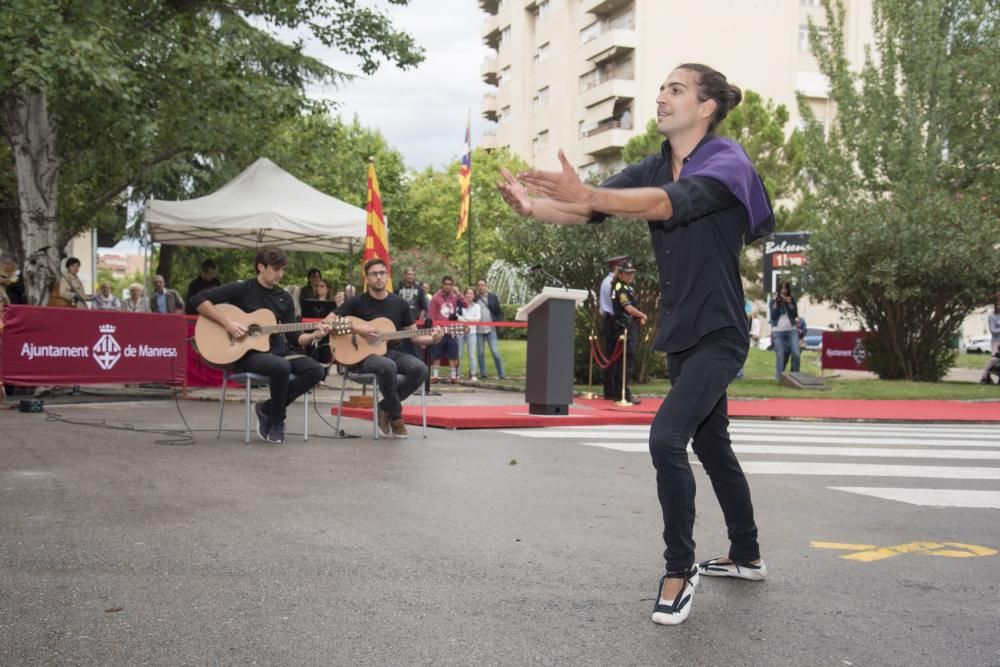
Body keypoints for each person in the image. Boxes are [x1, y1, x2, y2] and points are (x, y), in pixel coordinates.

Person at [499, 63, 773, 626]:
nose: (661, 97)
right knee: (713, 443)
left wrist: (588, 191)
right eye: (662, 88)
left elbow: (663, 205)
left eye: (676, 89)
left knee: (667, 438)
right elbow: (588, 207)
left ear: (706, 107)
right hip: (681, 333)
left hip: (720, 329)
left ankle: (680, 568)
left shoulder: (727, 160)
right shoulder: (655, 163)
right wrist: (536, 208)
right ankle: (746, 554)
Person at [192, 246, 332, 444]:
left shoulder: (284, 298)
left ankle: (267, 408)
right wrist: (228, 324)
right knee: (281, 366)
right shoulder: (242, 288)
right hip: (244, 354)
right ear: (261, 266)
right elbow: (198, 300)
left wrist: (314, 335)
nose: (280, 274)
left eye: (282, 269)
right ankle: (277, 420)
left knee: (316, 371)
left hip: (277, 353)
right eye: (276, 269)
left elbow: (294, 337)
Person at [335, 258, 443, 437]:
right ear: (367, 279)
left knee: (420, 369)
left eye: (382, 273)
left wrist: (434, 339)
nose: (378, 277)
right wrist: (358, 329)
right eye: (374, 274)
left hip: (391, 352)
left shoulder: (399, 303)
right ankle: (397, 416)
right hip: (361, 357)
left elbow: (415, 336)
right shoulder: (356, 302)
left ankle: (385, 407)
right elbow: (329, 322)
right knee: (387, 366)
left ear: (387, 276)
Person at [610, 260, 647, 404]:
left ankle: (620, 391)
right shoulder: (621, 288)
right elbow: (628, 308)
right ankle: (623, 393)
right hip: (624, 327)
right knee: (626, 362)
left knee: (624, 362)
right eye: (627, 273)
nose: (631, 276)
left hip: (627, 325)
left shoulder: (626, 287)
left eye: (632, 273)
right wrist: (642, 315)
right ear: (620, 274)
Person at [598, 256, 628, 399]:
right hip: (614, 321)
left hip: (609, 320)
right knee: (616, 357)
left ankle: (610, 391)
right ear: (617, 268)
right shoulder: (612, 283)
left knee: (612, 356)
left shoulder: (606, 281)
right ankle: (615, 391)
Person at [427, 275, 464, 384]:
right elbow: (431, 314)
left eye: (450, 285)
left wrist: (458, 294)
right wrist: (434, 329)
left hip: (451, 330)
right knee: (436, 354)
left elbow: (465, 304)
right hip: (439, 330)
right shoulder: (435, 297)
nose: (448, 286)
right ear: (442, 285)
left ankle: (453, 376)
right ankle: (435, 376)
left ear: (452, 286)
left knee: (453, 354)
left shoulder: (454, 297)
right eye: (446, 284)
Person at [474, 278, 507, 380]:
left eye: (483, 285)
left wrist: (497, 322)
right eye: (479, 285)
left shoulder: (493, 297)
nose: (481, 287)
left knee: (495, 352)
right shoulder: (475, 299)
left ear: (486, 286)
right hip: (479, 330)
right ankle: (483, 374)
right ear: (477, 287)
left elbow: (499, 312)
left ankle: (502, 374)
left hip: (491, 329)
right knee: (480, 353)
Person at [769, 282, 800, 379]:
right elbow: (773, 316)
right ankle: (779, 377)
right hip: (778, 331)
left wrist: (789, 303)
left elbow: (795, 315)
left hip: (792, 330)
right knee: (780, 354)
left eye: (785, 289)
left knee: (796, 353)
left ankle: (795, 376)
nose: (783, 291)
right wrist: (775, 304)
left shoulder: (792, 300)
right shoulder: (773, 300)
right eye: (781, 289)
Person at [395, 267, 428, 357]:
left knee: (415, 349)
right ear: (404, 275)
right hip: (401, 325)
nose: (410, 276)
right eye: (409, 274)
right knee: (401, 348)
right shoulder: (397, 289)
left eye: (412, 275)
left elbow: (424, 307)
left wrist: (419, 322)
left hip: (414, 324)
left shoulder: (420, 290)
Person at [458, 287, 481, 380]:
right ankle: (457, 373)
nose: (469, 295)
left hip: (472, 332)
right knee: (459, 353)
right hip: (460, 332)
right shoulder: (460, 305)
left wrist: (465, 318)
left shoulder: (477, 306)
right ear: (464, 295)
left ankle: (473, 374)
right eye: (468, 293)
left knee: (472, 354)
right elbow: (457, 317)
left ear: (474, 295)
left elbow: (477, 319)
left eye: (471, 294)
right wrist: (469, 319)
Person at [980, 298, 1000, 384]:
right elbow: (993, 330)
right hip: (997, 342)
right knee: (994, 360)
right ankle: (984, 376)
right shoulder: (992, 316)